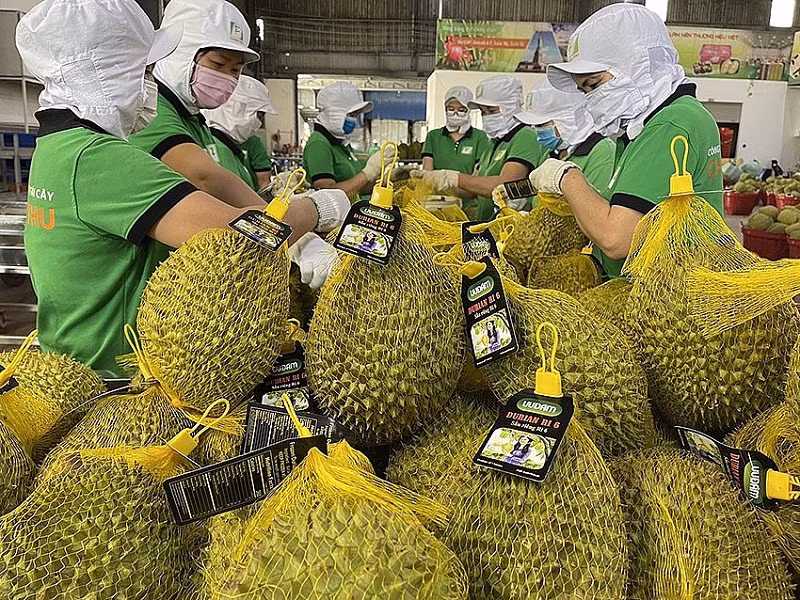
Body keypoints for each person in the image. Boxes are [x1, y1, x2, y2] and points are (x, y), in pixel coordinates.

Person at [14, 0, 323, 376]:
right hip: (116, 380)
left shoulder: (58, 146)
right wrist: (318, 211)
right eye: (142, 70)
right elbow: (243, 238)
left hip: (77, 361)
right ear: (105, 71)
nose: (150, 85)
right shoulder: (99, 158)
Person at [130, 0, 343, 289]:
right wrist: (303, 217)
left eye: (236, 70)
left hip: (203, 274)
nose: (228, 79)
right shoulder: (154, 112)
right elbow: (205, 178)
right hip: (158, 288)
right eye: (218, 64)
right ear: (180, 53)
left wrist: (286, 228)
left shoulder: (194, 121)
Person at [526, 4, 723, 277]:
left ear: (636, 65)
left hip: (664, 303)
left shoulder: (670, 124)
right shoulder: (642, 128)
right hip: (648, 297)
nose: (590, 99)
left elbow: (616, 239)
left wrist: (567, 177)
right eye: (584, 91)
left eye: (594, 85)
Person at [412, 75, 548, 222]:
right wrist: (436, 179)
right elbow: (472, 189)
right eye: (483, 112)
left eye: (492, 110)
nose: (487, 117)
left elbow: (503, 186)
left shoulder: (525, 137)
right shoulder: (493, 144)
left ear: (510, 107)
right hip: (489, 226)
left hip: (512, 230)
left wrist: (454, 178)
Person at [303, 82, 396, 197]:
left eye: (356, 115)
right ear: (334, 113)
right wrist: (368, 173)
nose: (354, 121)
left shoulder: (340, 145)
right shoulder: (319, 144)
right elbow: (326, 194)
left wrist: (388, 180)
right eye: (351, 114)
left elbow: (356, 188)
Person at [203, 75, 277, 191]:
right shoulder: (220, 150)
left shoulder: (230, 150)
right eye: (258, 115)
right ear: (239, 109)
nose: (258, 123)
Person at [421, 86, 490, 175]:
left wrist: (460, 184)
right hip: (437, 188)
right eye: (451, 109)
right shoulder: (433, 136)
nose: (455, 113)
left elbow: (478, 172)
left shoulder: (480, 137)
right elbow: (427, 170)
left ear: (468, 111)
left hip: (468, 188)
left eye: (461, 110)